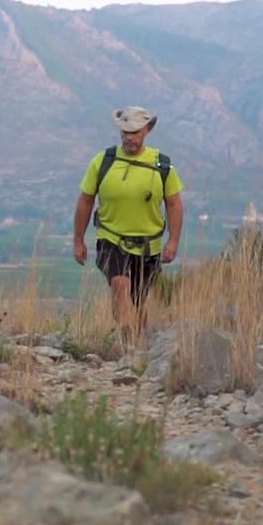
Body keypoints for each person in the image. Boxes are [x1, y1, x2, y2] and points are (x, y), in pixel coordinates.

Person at [72, 106, 184, 347]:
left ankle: (138, 342)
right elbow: (85, 200)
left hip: (148, 246)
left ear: (148, 130)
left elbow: (174, 204)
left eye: (134, 132)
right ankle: (126, 339)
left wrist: (173, 242)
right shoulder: (103, 161)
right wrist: (78, 239)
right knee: (119, 285)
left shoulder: (162, 166)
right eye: (125, 132)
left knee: (138, 300)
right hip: (111, 239)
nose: (129, 137)